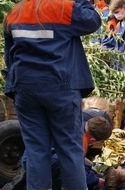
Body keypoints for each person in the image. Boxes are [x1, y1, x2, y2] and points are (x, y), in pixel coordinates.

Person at [3, 0, 101, 189]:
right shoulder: (64, 8)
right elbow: (94, 20)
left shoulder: (15, 13)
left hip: (25, 88)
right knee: (70, 149)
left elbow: (10, 57)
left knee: (36, 151)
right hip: (60, 87)